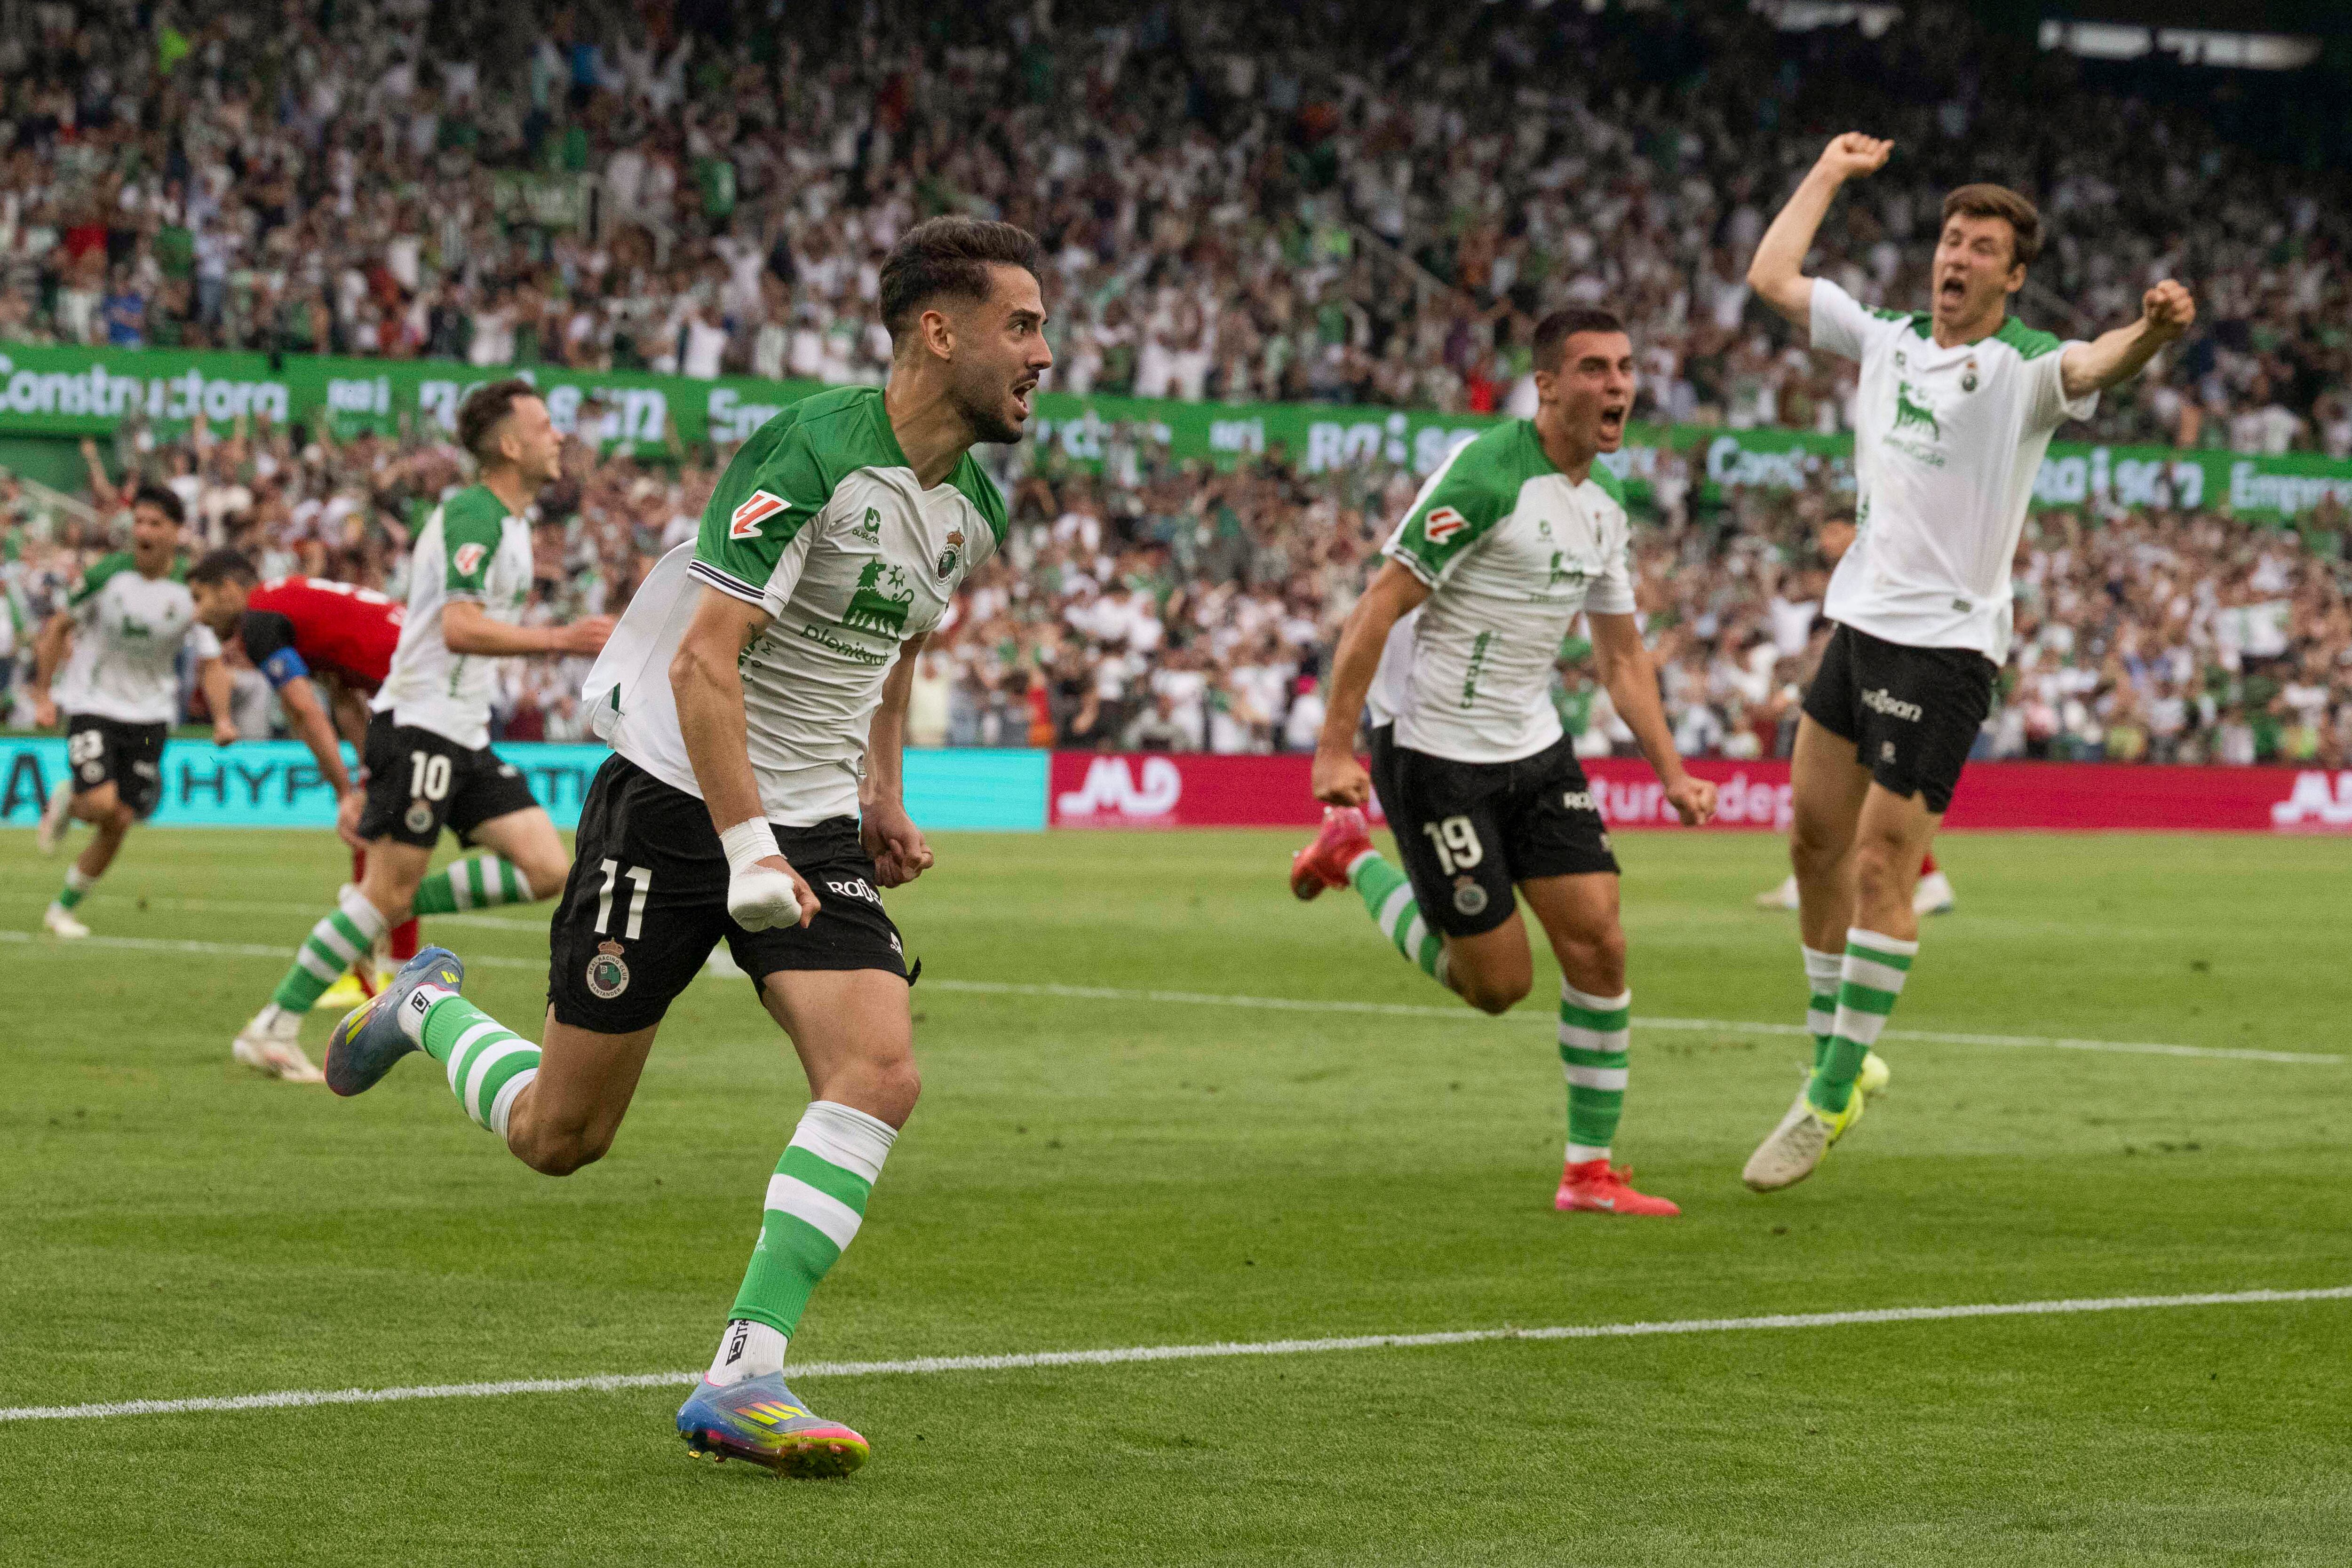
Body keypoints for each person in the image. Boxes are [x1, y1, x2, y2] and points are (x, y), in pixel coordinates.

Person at [320, 217, 1051, 1478]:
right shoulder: (809, 449)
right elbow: (704, 659)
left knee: (878, 1072)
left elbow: (892, 646)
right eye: (1025, 326)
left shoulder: (974, 505)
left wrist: (879, 790)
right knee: (562, 1135)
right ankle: (425, 1005)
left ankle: (744, 1371)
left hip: (813, 821)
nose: (1047, 353)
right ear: (942, 331)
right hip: (671, 804)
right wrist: (746, 841)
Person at [1738, 134, 2193, 1191]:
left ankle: (1832, 1087)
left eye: (1980, 246)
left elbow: (2098, 360)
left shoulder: (2022, 370)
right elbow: (1771, 277)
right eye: (1950, 238)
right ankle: (1831, 1059)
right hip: (1856, 631)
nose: (1957, 256)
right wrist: (1828, 172)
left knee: (1881, 864)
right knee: (1811, 840)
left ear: (2012, 274)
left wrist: (2154, 332)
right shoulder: (1888, 338)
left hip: (1942, 650)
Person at [1288, 306, 1718, 1219]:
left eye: (1626, 367)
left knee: (1600, 940)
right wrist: (1334, 746)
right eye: (1595, 368)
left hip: (1532, 745)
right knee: (1497, 986)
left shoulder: (1603, 505)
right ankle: (1352, 856)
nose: (1618, 385)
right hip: (1433, 751)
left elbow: (1621, 656)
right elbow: (1377, 605)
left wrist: (1673, 771)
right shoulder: (1486, 475)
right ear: (1548, 385)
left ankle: (1588, 1169)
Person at [229, 380, 615, 1078]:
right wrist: (562, 635)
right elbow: (459, 626)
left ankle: (379, 922)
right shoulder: (476, 513)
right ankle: (273, 1024)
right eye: (544, 424)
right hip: (421, 726)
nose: (557, 435)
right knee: (387, 893)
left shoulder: (514, 524)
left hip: (460, 732)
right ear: (508, 444)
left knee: (547, 868)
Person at [188, 554, 420, 1074]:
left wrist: (344, 791)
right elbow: (344, 698)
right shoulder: (294, 602)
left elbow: (302, 709)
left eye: (200, 598)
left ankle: (367, 935)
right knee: (390, 844)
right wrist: (365, 779)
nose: (198, 616)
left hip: (429, 690)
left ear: (230, 589)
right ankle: (385, 974)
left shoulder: (258, 620)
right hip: (420, 680)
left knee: (413, 857)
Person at [32, 484, 235, 936]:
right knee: (101, 803)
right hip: (93, 704)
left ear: (176, 532)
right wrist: (44, 694)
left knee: (121, 818)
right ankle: (72, 799)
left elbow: (210, 661)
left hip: (151, 716)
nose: (142, 531)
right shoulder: (108, 575)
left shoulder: (190, 589)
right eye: (138, 521)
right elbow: (59, 626)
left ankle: (62, 909)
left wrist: (222, 717)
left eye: (154, 523)